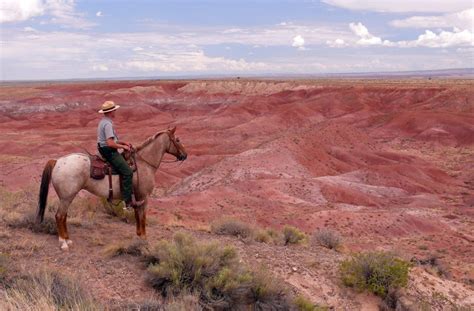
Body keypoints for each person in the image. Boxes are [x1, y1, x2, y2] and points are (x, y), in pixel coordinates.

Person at [97, 101, 144, 208]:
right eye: (114, 110)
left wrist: (123, 142)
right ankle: (128, 202)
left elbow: (112, 140)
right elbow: (110, 143)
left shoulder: (103, 121)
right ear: (111, 112)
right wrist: (123, 147)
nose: (115, 111)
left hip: (104, 148)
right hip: (108, 151)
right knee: (127, 172)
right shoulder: (108, 124)